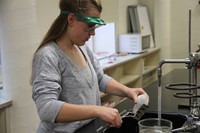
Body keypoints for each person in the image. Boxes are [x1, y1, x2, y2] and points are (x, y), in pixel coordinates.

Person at [31, 0, 148, 133]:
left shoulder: (82, 48)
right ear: (71, 19)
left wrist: (127, 91)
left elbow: (99, 78)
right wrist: (97, 110)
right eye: (90, 26)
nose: (93, 33)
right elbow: (46, 108)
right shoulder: (48, 56)